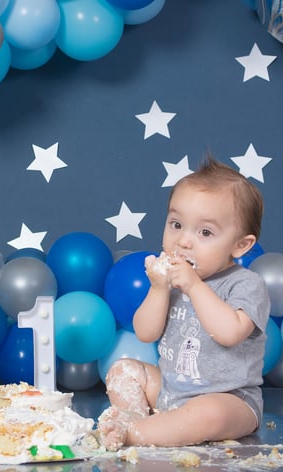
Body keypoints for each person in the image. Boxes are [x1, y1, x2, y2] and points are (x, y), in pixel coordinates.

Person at [97, 155, 270, 450]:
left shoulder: (245, 284)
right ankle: (136, 419)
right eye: (176, 224)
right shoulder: (173, 282)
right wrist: (159, 289)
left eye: (205, 232)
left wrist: (193, 286)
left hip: (231, 401)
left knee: (209, 414)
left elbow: (229, 333)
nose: (184, 241)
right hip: (170, 391)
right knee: (122, 370)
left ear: (241, 245)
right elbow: (145, 333)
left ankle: (134, 433)